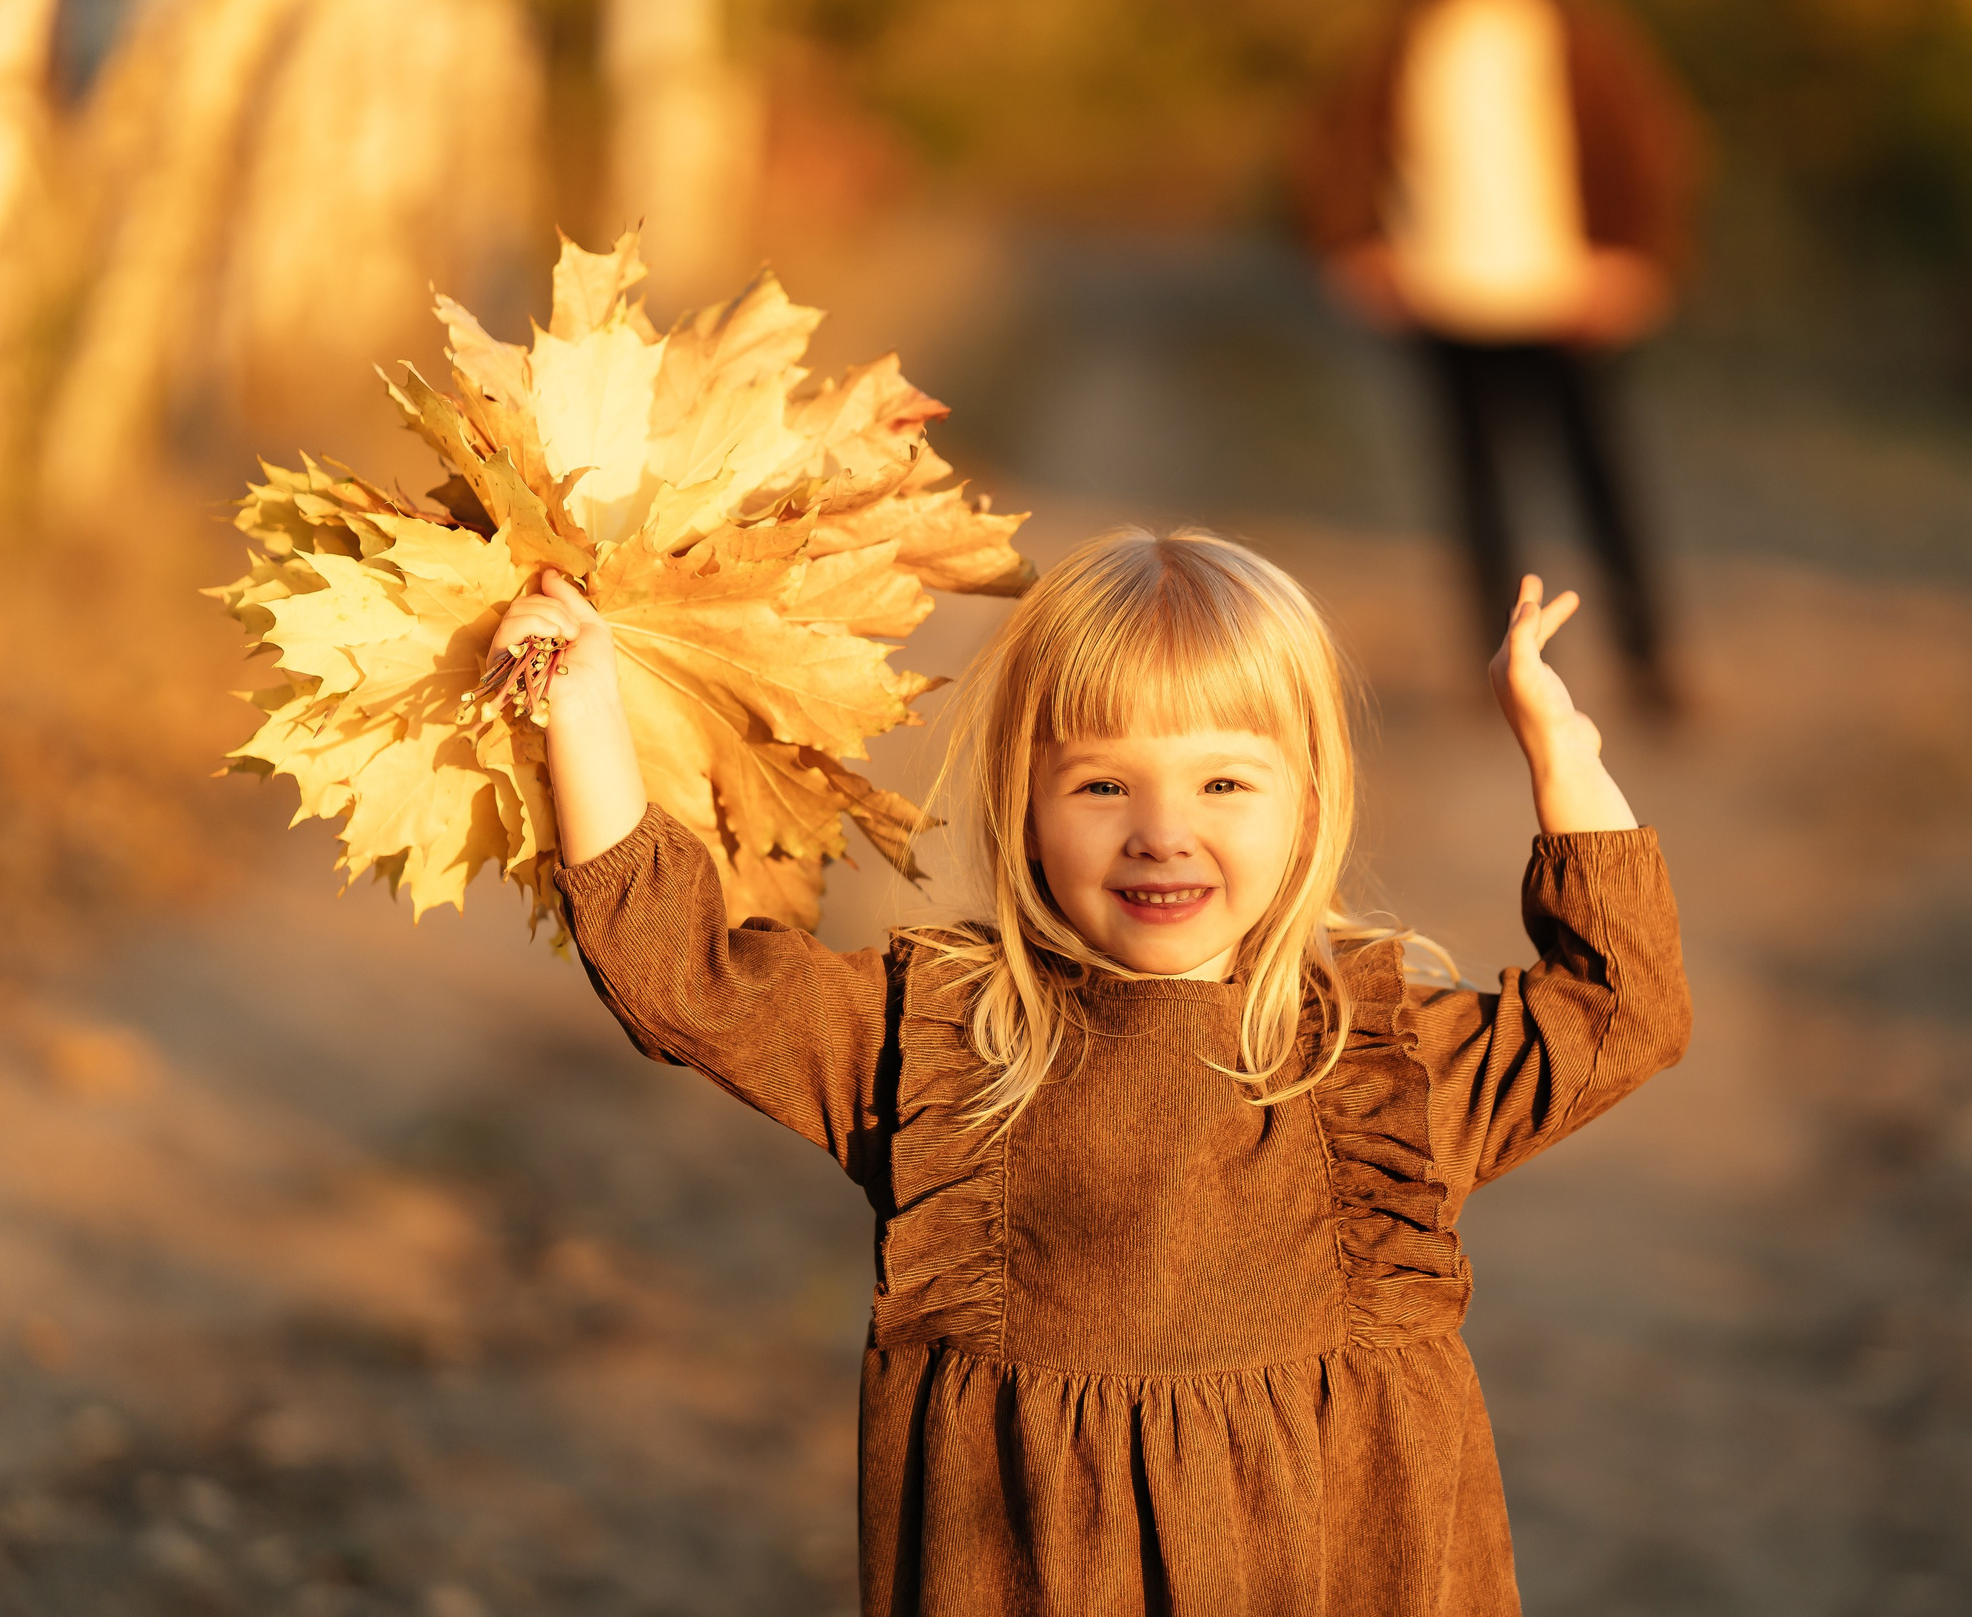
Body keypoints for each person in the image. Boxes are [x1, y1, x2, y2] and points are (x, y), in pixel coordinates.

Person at [494, 527, 1691, 1615]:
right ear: (1025, 807)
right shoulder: (943, 1048)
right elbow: (684, 981)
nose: (1161, 829)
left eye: (1223, 782)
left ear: (1307, 805)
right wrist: (588, 709)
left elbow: (1623, 1010)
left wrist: (1562, 747)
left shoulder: (1377, 1067)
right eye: (1102, 784)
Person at [1293, 0, 1703, 717]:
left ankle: (1649, 660)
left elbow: (1653, 146)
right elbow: (1335, 147)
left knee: (1602, 478)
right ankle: (1498, 671)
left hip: (1567, 293)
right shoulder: (1399, 37)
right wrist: (1351, 245)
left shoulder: (1586, 36)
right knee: (1474, 482)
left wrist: (1638, 255)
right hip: (1447, 292)